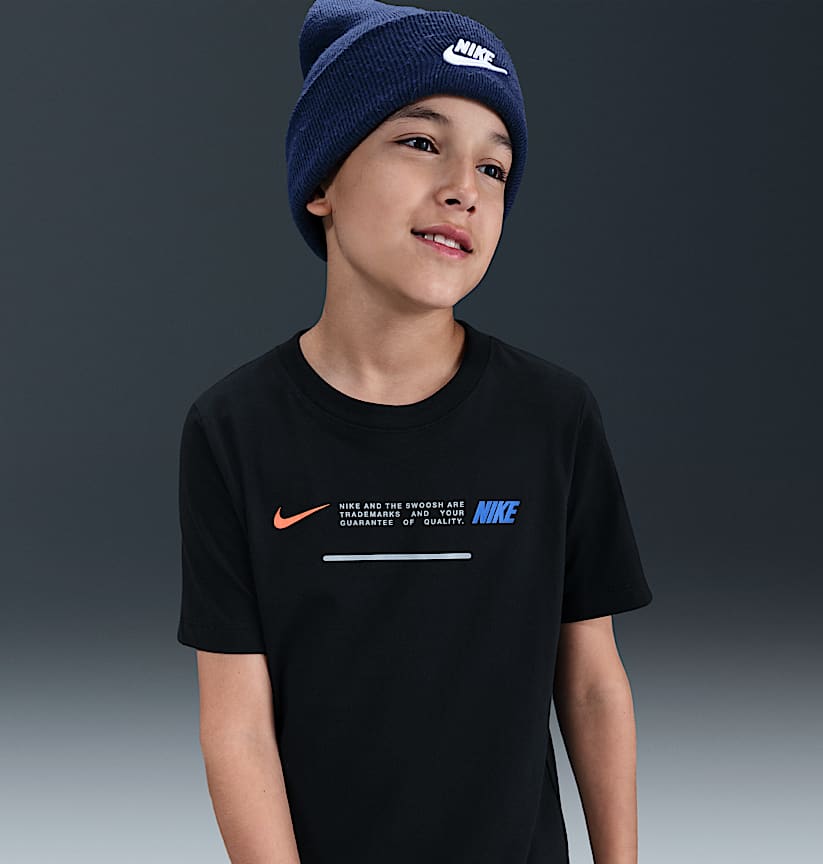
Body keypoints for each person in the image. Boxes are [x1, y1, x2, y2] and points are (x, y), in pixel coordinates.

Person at [176, 1, 653, 862]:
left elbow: (590, 684)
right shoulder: (233, 430)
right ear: (321, 183)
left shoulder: (554, 417)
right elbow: (236, 723)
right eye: (422, 142)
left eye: (494, 167)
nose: (464, 187)